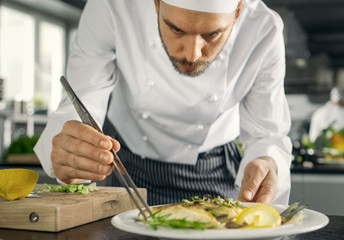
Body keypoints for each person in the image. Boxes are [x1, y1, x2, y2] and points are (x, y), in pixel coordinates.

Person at [34, 0, 293, 205]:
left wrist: (267, 160)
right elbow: (81, 100)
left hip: (214, 169)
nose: (192, 54)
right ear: (156, 4)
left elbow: (267, 134)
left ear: (238, 11)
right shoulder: (111, 7)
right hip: (125, 167)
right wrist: (71, 146)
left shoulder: (264, 29)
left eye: (212, 34)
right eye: (176, 29)